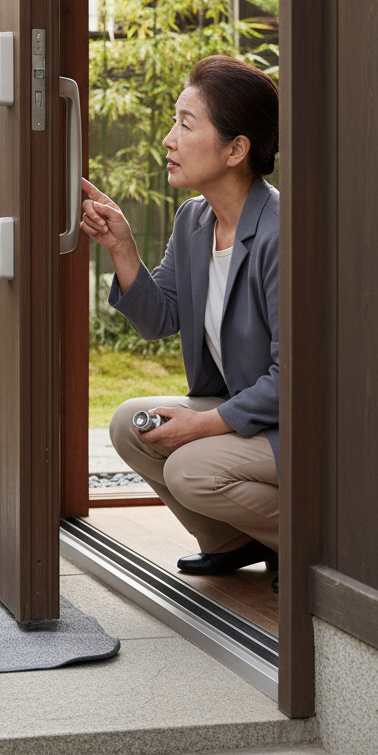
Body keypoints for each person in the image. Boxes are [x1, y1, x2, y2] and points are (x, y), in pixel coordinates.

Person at [80, 55, 280, 585]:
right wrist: (122, 248)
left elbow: (296, 378)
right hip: (244, 409)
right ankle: (232, 541)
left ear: (236, 149)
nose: (168, 139)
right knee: (131, 424)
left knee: (190, 469)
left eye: (185, 125)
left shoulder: (283, 233)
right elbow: (160, 317)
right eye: (174, 121)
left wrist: (206, 423)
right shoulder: (194, 219)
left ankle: (316, 545)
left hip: (296, 424)